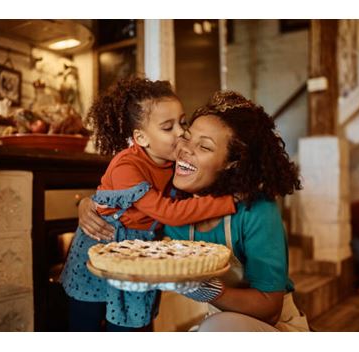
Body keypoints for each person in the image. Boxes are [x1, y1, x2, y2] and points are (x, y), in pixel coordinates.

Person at [79, 90, 309, 332]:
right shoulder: (171, 199)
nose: (185, 149)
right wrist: (88, 205)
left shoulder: (256, 210)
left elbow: (269, 309)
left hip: (274, 328)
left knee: (215, 327)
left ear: (232, 163)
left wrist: (205, 290)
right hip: (217, 325)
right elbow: (123, 202)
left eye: (205, 147)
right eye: (187, 137)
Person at [60, 78, 236, 332]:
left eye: (182, 123)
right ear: (141, 137)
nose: (180, 133)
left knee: (132, 329)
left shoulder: (174, 163)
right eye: (168, 127)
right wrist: (227, 202)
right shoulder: (126, 167)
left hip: (137, 256)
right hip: (99, 253)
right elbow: (168, 213)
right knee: (85, 325)